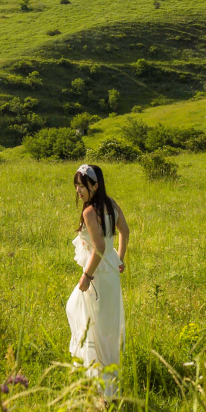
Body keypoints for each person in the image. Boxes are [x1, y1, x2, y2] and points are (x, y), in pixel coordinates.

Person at [65, 162, 128, 395]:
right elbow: (125, 231)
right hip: (109, 271)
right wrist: (118, 259)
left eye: (82, 186)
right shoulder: (110, 204)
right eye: (76, 187)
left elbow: (99, 246)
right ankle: (98, 381)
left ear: (95, 185)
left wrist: (86, 276)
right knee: (104, 327)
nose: (78, 191)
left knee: (95, 325)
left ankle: (102, 388)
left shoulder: (90, 211)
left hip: (99, 275)